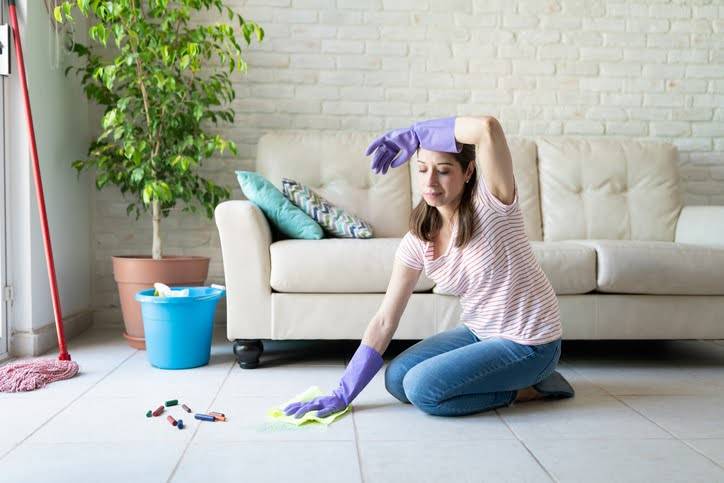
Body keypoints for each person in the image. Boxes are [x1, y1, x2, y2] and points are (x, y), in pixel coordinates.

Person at [283, 116, 574, 419]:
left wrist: (416, 132)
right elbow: (385, 320)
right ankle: (502, 379)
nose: (430, 182)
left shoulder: (493, 205)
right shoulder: (419, 240)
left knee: (423, 390)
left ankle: (528, 388)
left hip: (529, 343)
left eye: (444, 171)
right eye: (422, 169)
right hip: (480, 332)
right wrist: (343, 392)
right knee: (396, 380)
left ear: (468, 172)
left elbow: (487, 128)